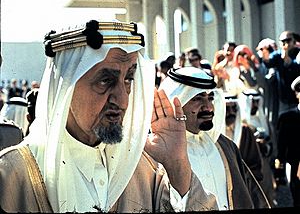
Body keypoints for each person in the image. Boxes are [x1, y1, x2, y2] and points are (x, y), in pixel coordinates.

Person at [0, 19, 216, 213]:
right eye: (105, 81)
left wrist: (177, 163)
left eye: (128, 80)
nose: (122, 101)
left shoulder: (143, 169)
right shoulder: (12, 176)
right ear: (65, 86)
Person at [159, 67, 271, 210]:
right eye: (197, 99)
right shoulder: (161, 150)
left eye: (210, 98)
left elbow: (250, 193)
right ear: (177, 102)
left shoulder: (225, 146)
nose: (208, 107)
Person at [276, 76, 300, 207]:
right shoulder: (287, 118)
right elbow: (281, 149)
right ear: (297, 94)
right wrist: (279, 173)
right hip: (296, 168)